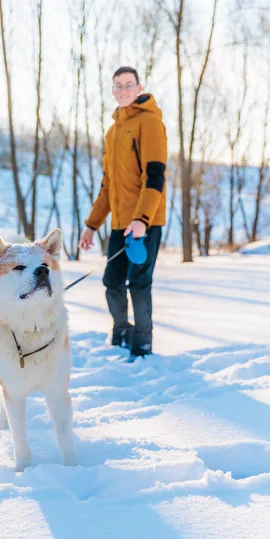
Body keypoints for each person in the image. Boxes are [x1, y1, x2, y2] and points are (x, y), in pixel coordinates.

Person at [79, 66, 167, 359]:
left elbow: (155, 176)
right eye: (119, 85)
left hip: (145, 223)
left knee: (139, 283)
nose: (124, 90)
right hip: (119, 224)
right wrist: (92, 225)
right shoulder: (113, 131)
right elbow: (108, 185)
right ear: (113, 90)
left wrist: (142, 220)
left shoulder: (151, 123)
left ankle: (142, 343)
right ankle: (122, 332)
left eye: (129, 84)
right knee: (112, 282)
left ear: (139, 87)